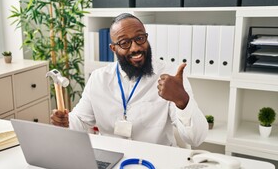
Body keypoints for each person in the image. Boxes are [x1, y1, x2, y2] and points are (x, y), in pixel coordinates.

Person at [51, 13, 208, 147]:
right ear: (114, 48)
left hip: (156, 162)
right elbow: (80, 121)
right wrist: (65, 121)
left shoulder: (171, 76)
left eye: (140, 38)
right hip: (113, 160)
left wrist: (182, 100)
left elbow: (196, 139)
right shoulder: (98, 78)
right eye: (124, 42)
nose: (135, 48)